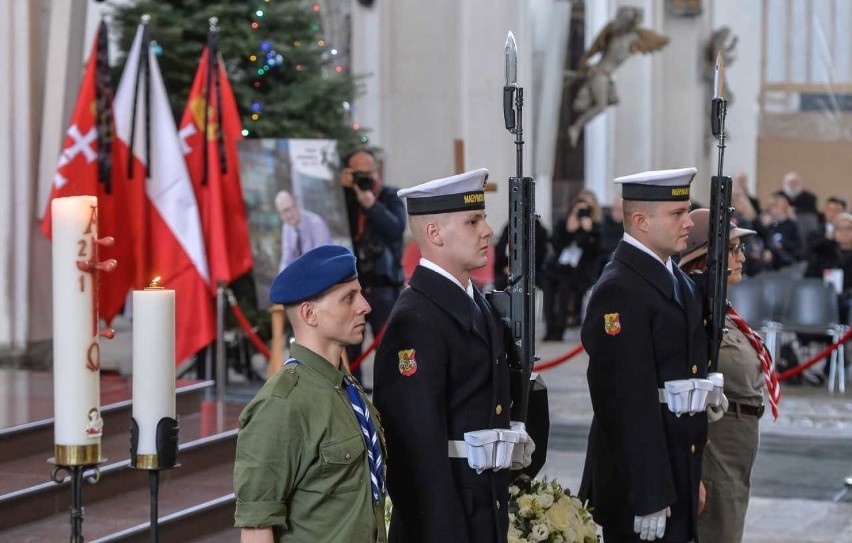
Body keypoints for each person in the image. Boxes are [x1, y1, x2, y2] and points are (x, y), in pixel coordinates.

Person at [374, 168, 532, 543]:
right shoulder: (416, 319)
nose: (488, 230)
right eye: (473, 221)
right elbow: (414, 450)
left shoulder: (474, 302)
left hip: (481, 510)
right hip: (445, 523)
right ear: (434, 233)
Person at [579, 167, 710, 542]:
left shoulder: (676, 278)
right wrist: (650, 490)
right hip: (640, 481)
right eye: (677, 214)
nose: (688, 222)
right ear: (640, 221)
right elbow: (622, 400)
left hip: (676, 466)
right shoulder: (620, 288)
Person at [234, 245, 387, 543]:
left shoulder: (347, 388)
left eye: (360, 293)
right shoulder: (280, 405)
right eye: (349, 298)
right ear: (309, 313)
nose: (365, 306)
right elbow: (256, 527)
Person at [679, 209, 781, 543]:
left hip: (737, 444)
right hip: (715, 446)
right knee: (717, 532)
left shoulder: (722, 310)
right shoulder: (695, 312)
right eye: (733, 250)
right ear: (706, 260)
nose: (742, 258)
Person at [340, 149, 406, 382]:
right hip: (353, 283)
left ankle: (390, 400)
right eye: (359, 174)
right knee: (349, 347)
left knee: (388, 347)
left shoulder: (389, 195)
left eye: (368, 173)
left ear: (376, 170)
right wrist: (346, 190)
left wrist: (372, 206)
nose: (365, 179)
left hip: (384, 284)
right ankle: (351, 398)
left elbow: (396, 229)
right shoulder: (346, 197)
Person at [541, 195, 603, 339]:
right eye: (577, 210)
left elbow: (594, 250)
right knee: (548, 287)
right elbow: (556, 244)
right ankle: (550, 328)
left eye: (583, 210)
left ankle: (560, 330)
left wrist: (587, 231)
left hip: (577, 271)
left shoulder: (593, 227)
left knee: (564, 289)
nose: (580, 214)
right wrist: (568, 230)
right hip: (557, 268)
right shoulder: (564, 223)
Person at [275, 190, 332, 271]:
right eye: (283, 211)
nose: (288, 215)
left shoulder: (316, 223)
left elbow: (322, 259)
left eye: (290, 208)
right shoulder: (287, 227)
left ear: (297, 205)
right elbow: (286, 261)